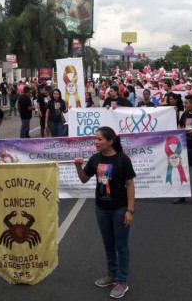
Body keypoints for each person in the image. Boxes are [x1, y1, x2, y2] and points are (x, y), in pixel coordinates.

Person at [74, 127, 136, 299]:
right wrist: (78, 167)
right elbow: (84, 179)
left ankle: (122, 281)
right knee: (108, 243)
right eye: (95, 138)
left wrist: (130, 210)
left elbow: (130, 185)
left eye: (99, 139)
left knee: (121, 246)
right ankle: (112, 274)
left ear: (110, 141)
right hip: (101, 209)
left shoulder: (123, 159)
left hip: (120, 209)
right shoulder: (95, 159)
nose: (96, 142)